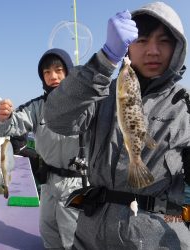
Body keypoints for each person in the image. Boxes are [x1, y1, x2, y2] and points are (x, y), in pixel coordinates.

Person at [44, 2, 190, 250]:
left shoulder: (184, 106)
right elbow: (57, 118)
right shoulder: (100, 93)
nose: (153, 51)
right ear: (127, 47)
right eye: (142, 41)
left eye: (164, 41)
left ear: (177, 48)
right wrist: (103, 60)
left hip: (158, 239)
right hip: (91, 236)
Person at [0, 48, 84, 250]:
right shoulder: (37, 107)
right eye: (47, 73)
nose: (53, 76)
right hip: (48, 182)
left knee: (74, 237)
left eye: (58, 70)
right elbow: (6, 126)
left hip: (78, 183)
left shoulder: (84, 104)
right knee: (48, 232)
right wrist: (1, 117)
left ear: (68, 72)